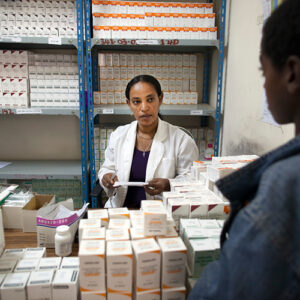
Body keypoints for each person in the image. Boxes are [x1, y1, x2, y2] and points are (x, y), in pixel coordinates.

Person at [188, 1, 300, 299]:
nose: (265, 86)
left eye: (263, 73)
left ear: (291, 73)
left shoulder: (285, 185)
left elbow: (226, 290)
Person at [99, 75, 199, 208]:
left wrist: (169, 184)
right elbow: (107, 168)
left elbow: (192, 180)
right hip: (121, 212)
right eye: (136, 101)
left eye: (150, 99)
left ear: (160, 99)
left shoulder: (181, 140)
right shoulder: (119, 135)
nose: (144, 107)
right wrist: (106, 177)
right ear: (129, 104)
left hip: (160, 214)